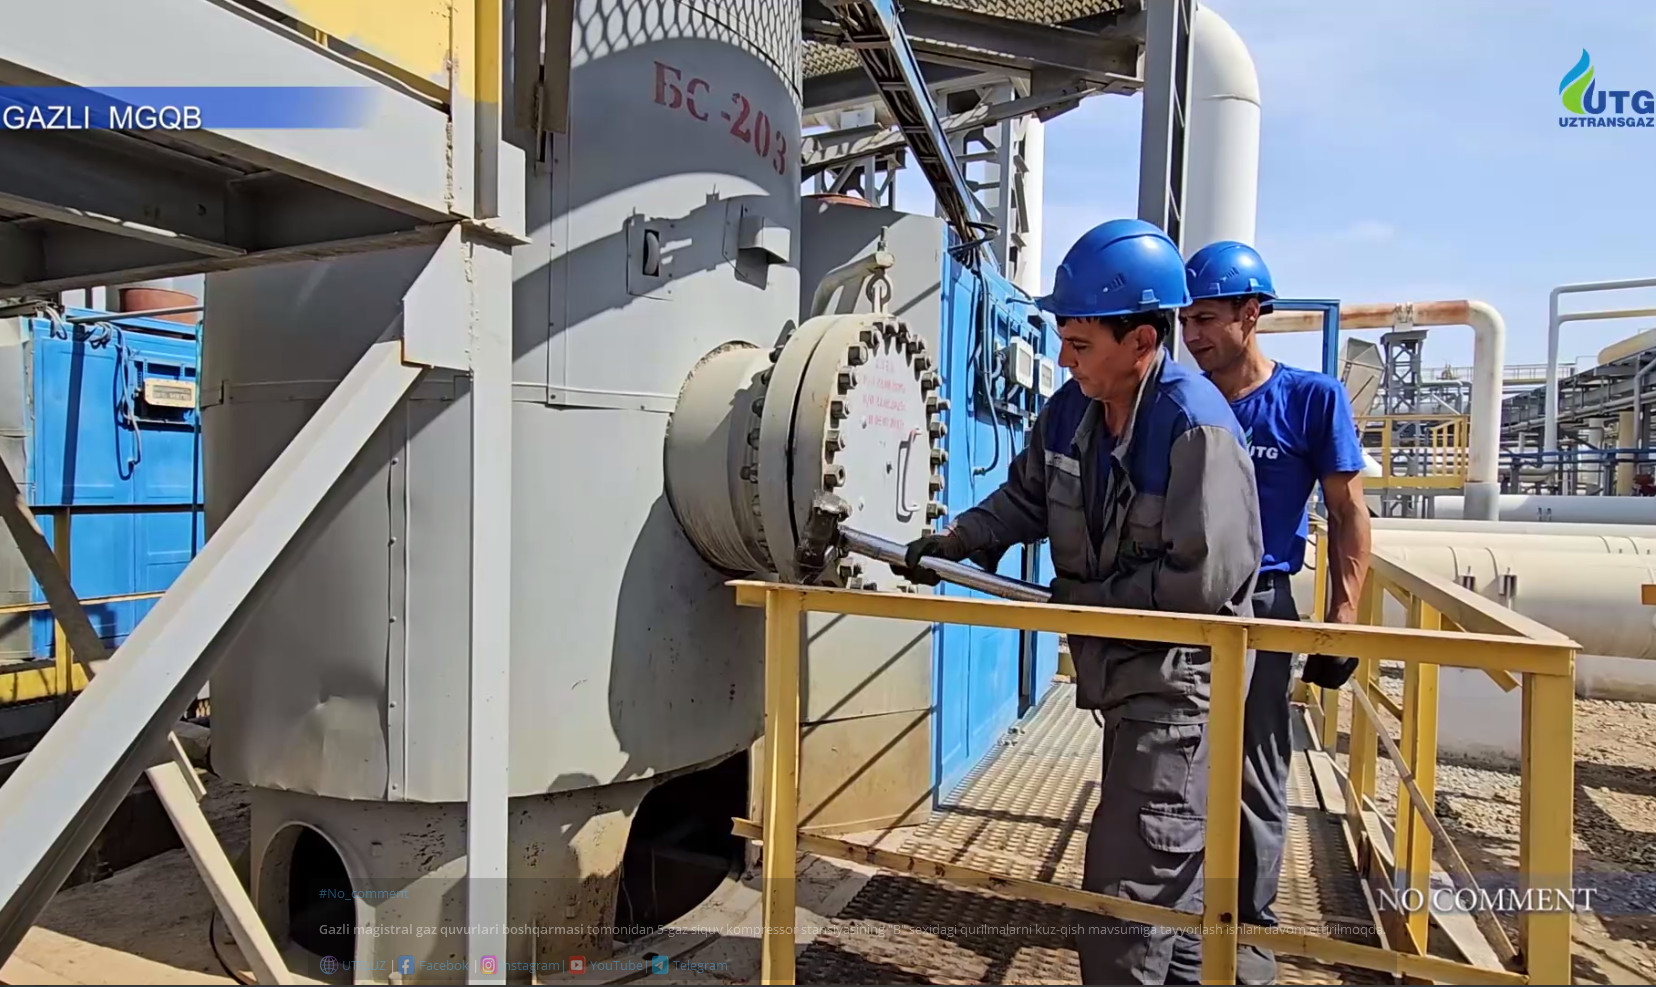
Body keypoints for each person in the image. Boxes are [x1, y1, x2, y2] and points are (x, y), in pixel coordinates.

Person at [895, 218, 1264, 985]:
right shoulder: (1071, 411)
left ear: (1141, 342)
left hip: (1179, 688)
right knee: (1170, 888)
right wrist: (958, 539)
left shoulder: (1195, 428)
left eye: (1079, 343)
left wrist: (1084, 599)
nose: (1064, 358)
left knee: (1124, 898)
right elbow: (1027, 497)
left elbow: (1203, 584)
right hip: (1121, 675)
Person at [1179, 240, 1373, 985]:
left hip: (1261, 603)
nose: (1192, 335)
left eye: (1206, 318)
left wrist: (1342, 619)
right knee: (1173, 763)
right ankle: (1177, 919)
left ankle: (1246, 933)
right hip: (1180, 602)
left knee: (1255, 771)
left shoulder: (1310, 399)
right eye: (1185, 321)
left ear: (1251, 314)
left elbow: (1348, 512)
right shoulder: (1179, 398)